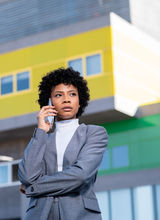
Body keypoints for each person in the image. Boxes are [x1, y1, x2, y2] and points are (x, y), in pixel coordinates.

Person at [18, 67, 108, 220]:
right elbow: (26, 176)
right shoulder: (41, 139)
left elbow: (80, 175)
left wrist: (34, 187)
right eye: (58, 95)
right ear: (49, 102)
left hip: (80, 215)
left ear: (80, 101)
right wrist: (41, 130)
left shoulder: (94, 133)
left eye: (72, 94)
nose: (66, 99)